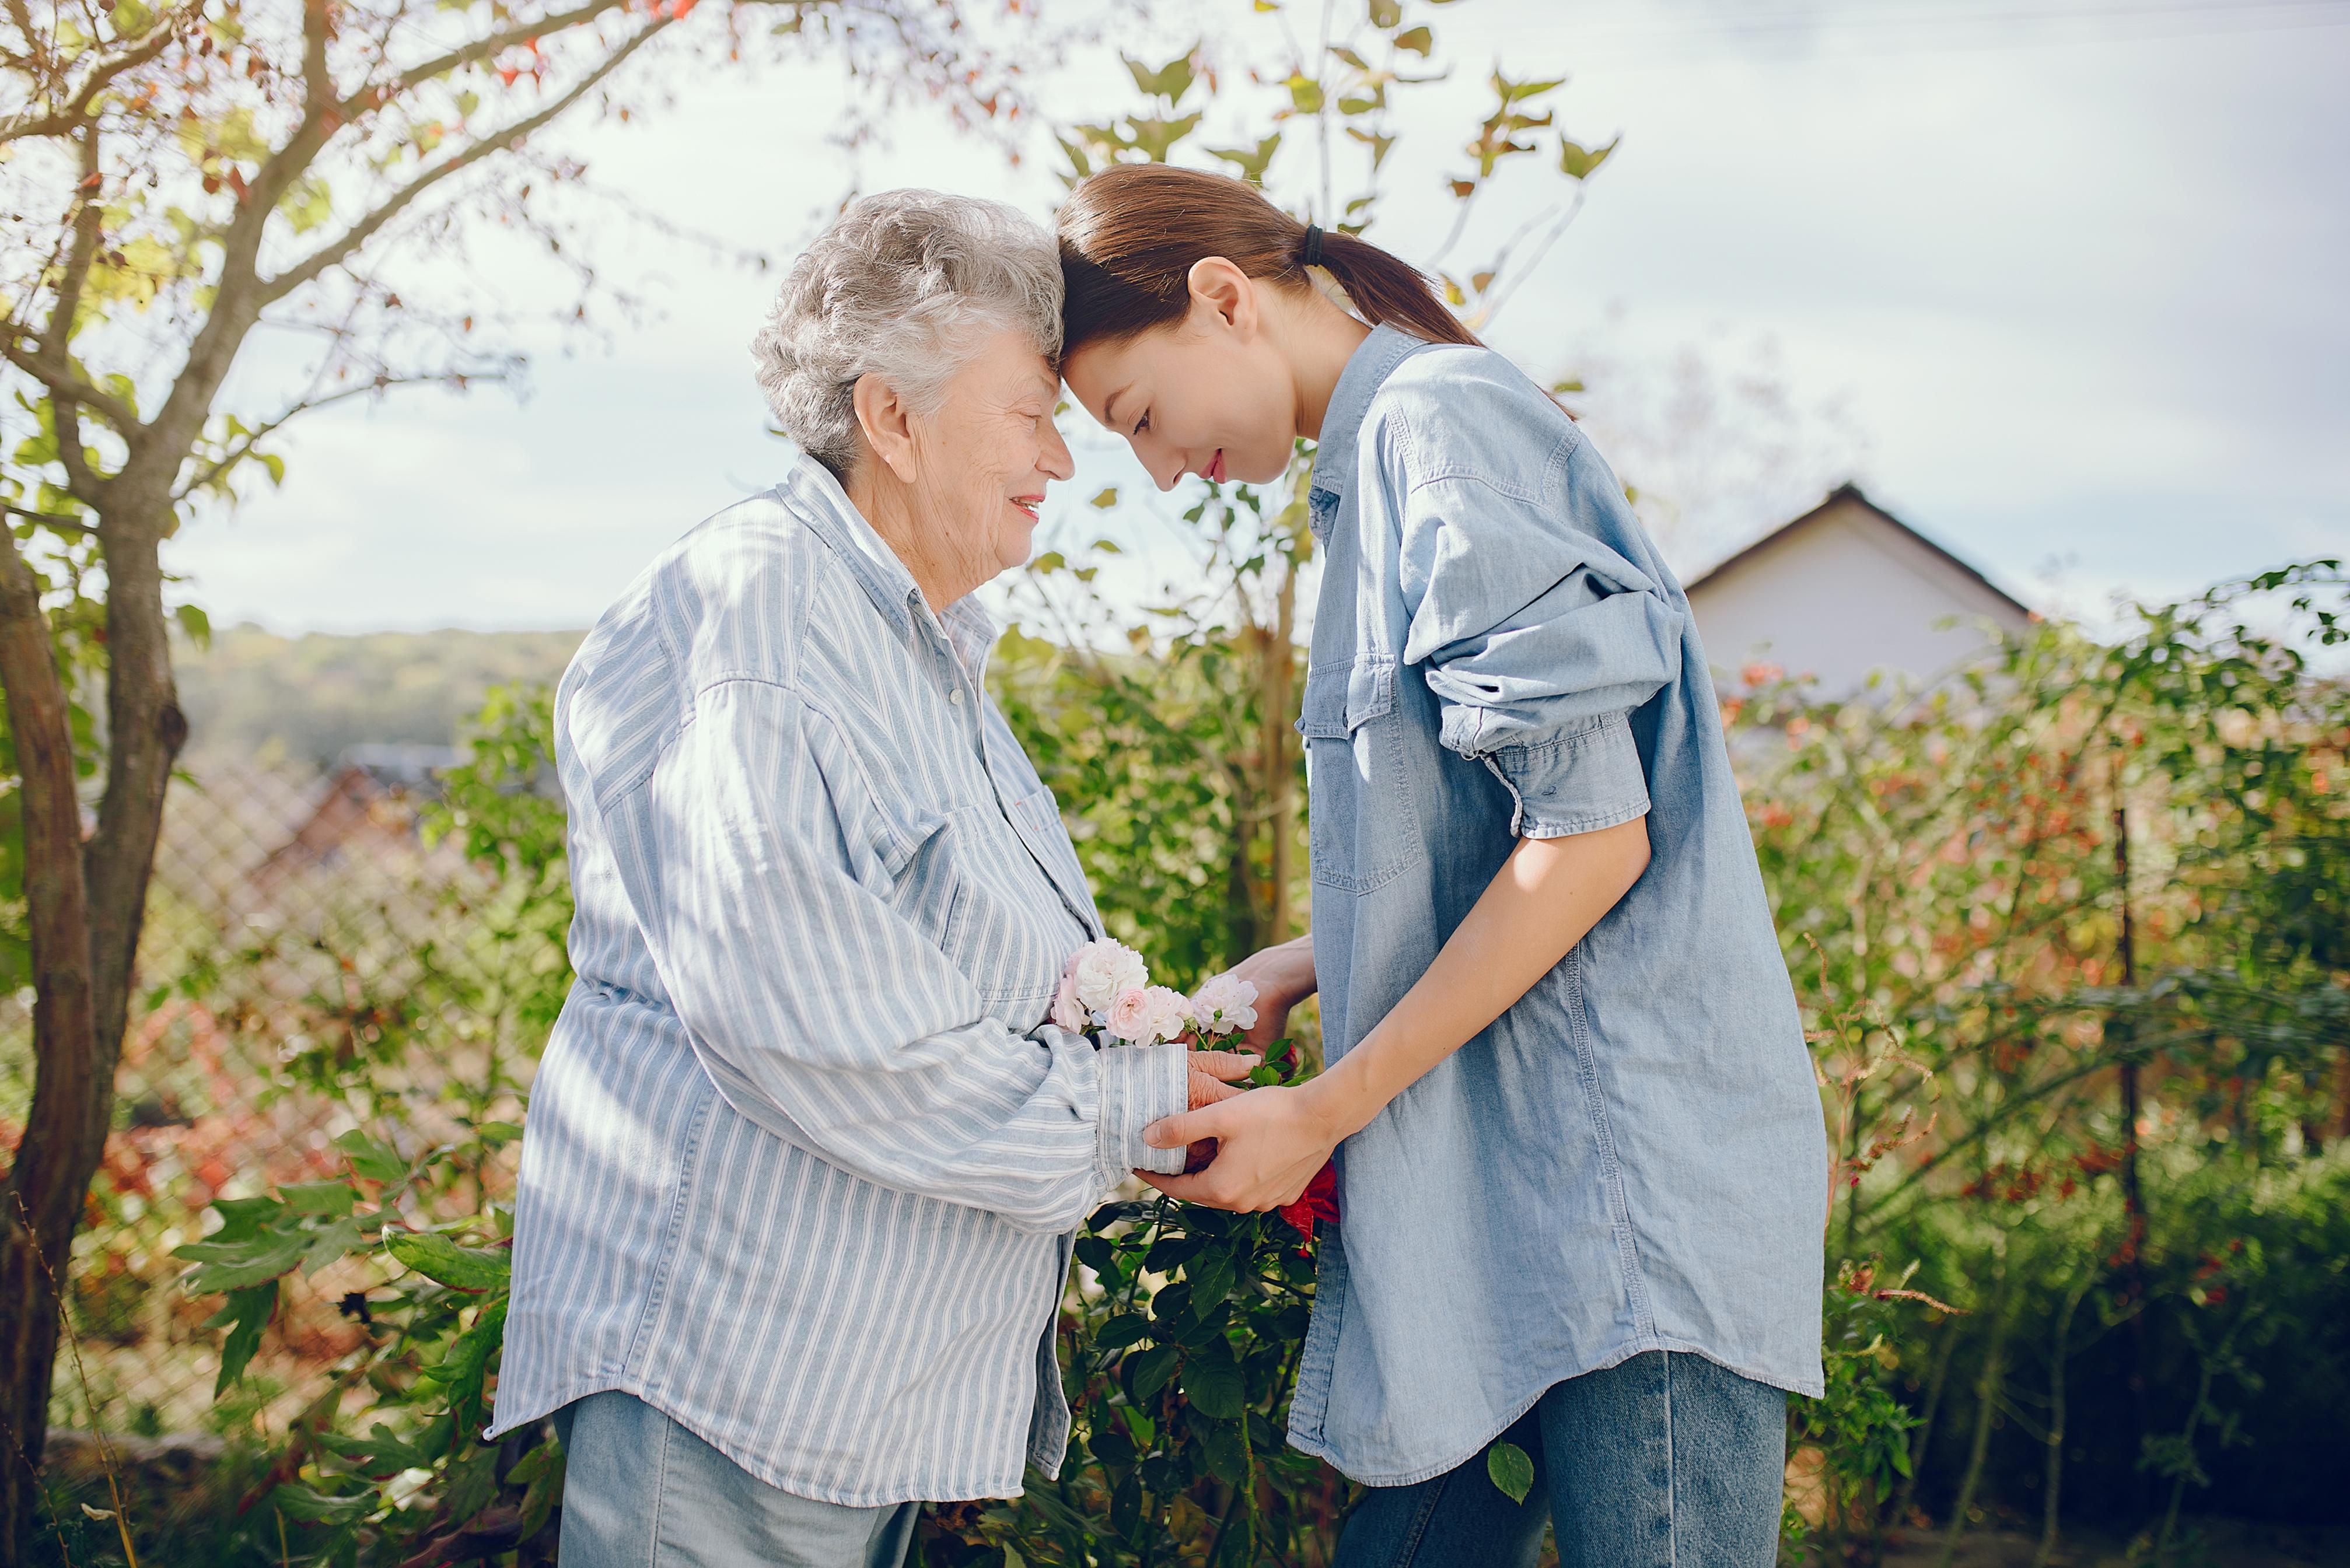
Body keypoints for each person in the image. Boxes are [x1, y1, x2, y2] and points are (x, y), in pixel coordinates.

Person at [1055, 162, 1828, 1568]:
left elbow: (1591, 841)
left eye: (1142, 419)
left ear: (1221, 300)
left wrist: (1324, 1111)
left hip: (1619, 1207)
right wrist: (1299, 967)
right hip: (1498, 1201)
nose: (1159, 469)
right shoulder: (1367, 476)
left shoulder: (1442, 429)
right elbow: (1495, 836)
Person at [489, 189, 1256, 1568]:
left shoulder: (909, 641)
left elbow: (946, 969)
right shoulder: (768, 614)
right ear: (892, 419)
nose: (1060, 464)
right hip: (741, 1379)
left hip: (835, 1387)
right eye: (1031, 414)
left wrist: (1181, 1041)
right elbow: (807, 1014)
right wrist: (1122, 1111)